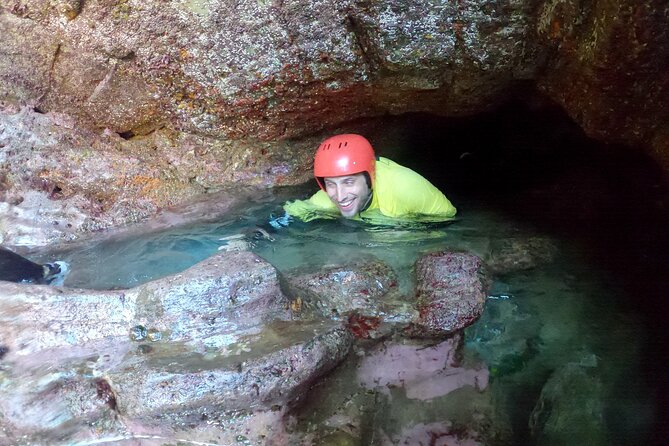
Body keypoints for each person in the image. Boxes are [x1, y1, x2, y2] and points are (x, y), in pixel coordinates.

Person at [280, 134, 456, 225]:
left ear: (369, 177)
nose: (339, 197)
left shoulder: (406, 187)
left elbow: (450, 222)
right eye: (331, 184)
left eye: (349, 182)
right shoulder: (325, 200)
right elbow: (287, 216)